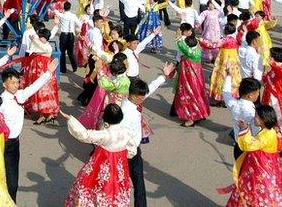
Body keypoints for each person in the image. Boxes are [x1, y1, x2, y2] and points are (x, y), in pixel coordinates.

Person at [0, 58, 56, 201]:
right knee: (4, 178)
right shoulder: (0, 101)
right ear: (4, 84)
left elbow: (36, 86)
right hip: (2, 143)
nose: (16, 85)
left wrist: (48, 72)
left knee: (12, 179)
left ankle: (10, 202)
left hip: (14, 143)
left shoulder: (20, 95)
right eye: (12, 83)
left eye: (17, 82)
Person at [62, 104, 139, 207]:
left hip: (101, 163)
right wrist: (122, 155)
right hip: (118, 165)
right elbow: (132, 150)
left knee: (91, 185)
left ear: (105, 118)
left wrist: (71, 120)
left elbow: (85, 135)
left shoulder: (105, 134)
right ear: (121, 117)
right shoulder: (127, 132)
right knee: (116, 189)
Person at [122, 63, 174, 207]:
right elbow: (121, 134)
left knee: (138, 184)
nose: (143, 98)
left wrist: (164, 76)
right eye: (141, 97)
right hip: (127, 152)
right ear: (133, 95)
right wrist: (131, 150)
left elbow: (150, 89)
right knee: (131, 184)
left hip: (133, 151)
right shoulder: (126, 113)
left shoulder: (132, 101)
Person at [218, 105, 282, 207]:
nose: (254, 118)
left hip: (260, 169)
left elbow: (250, 145)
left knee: (257, 190)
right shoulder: (269, 131)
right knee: (263, 190)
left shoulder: (265, 136)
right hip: (264, 166)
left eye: (256, 117)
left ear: (264, 120)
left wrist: (244, 129)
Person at [172, 29, 210, 126]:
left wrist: (178, 36)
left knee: (189, 96)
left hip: (189, 80)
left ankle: (191, 118)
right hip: (198, 78)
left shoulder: (189, 52)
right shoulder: (197, 50)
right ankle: (201, 113)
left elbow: (181, 45)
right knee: (199, 95)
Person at [224, 74, 261, 160]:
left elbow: (226, 93)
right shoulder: (251, 113)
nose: (258, 95)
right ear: (250, 95)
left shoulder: (233, 104)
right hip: (249, 147)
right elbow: (256, 130)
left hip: (238, 145)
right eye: (258, 92)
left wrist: (229, 77)